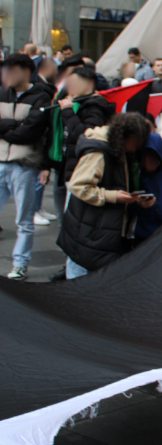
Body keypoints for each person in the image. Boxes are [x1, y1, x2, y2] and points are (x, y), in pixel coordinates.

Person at [58, 112, 151, 279]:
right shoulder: (99, 153)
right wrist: (113, 196)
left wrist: (133, 201)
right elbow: (78, 186)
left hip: (96, 231)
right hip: (88, 231)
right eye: (137, 141)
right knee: (79, 281)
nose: (138, 146)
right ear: (126, 137)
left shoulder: (118, 150)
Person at [0, 54, 51, 279]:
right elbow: (23, 129)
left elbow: (31, 131)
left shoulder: (41, 97)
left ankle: (20, 263)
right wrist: (14, 125)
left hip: (24, 165)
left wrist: (5, 128)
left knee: (24, 219)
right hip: (1, 160)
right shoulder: (2, 92)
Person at [60, 66, 115, 182]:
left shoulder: (95, 107)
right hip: (75, 169)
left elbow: (86, 135)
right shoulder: (83, 104)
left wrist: (68, 113)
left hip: (82, 172)